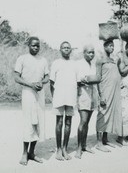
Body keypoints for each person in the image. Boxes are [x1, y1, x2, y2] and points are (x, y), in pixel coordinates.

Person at [14, 36, 49, 165]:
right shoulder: (22, 59)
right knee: (28, 123)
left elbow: (47, 76)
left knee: (38, 122)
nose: (36, 47)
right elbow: (16, 77)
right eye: (33, 45)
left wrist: (41, 82)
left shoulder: (43, 60)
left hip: (40, 94)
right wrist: (30, 84)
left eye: (38, 45)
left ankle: (32, 153)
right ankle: (24, 153)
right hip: (28, 93)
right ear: (28, 45)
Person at [50, 41, 78, 161]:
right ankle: (58, 149)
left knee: (68, 122)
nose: (66, 49)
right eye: (64, 48)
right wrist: (54, 97)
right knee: (59, 122)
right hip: (59, 96)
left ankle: (65, 148)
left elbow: (77, 81)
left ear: (71, 50)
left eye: (68, 48)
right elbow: (51, 82)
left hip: (71, 96)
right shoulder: (56, 63)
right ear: (60, 50)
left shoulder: (74, 64)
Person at [96, 39, 124, 152]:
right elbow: (98, 78)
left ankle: (105, 139)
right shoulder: (100, 60)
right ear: (105, 46)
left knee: (110, 114)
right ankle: (98, 143)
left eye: (113, 46)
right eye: (110, 46)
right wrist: (101, 95)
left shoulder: (113, 60)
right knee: (103, 115)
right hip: (105, 91)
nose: (112, 48)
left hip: (114, 91)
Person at [75, 45, 100, 159]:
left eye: (92, 52)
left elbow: (97, 79)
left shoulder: (94, 64)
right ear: (84, 53)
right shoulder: (78, 64)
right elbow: (76, 80)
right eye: (89, 52)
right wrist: (83, 80)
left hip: (92, 95)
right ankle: (79, 148)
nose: (91, 54)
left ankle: (84, 145)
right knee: (83, 121)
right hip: (83, 95)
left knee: (87, 122)